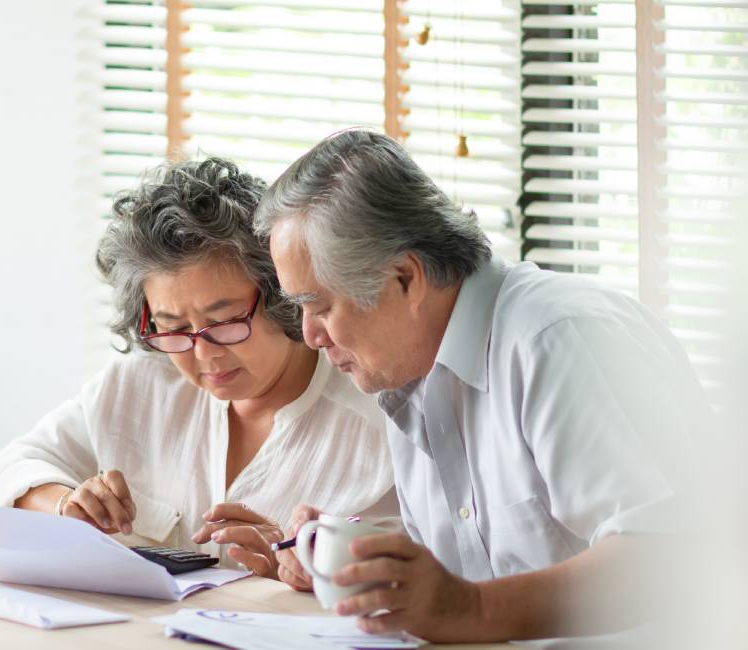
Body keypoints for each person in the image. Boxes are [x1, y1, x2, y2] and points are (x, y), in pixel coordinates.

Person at [251, 129, 705, 642]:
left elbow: (665, 557)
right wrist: (358, 563)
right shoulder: (408, 372)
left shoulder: (558, 339)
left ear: (405, 278)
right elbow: (485, 566)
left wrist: (467, 608)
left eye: (321, 305)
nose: (309, 335)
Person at [0, 157, 395, 577]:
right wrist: (65, 505)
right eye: (174, 327)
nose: (203, 354)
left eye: (225, 322)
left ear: (279, 295)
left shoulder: (379, 422)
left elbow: (413, 578)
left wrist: (307, 565)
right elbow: (15, 465)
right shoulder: (140, 384)